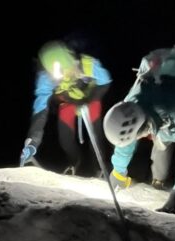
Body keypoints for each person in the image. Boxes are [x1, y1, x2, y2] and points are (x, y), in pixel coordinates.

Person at [103, 46, 175, 214]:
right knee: (162, 146)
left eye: (142, 134)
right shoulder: (129, 105)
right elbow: (126, 140)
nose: (143, 138)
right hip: (159, 114)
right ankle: (160, 180)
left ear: (144, 126)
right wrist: (118, 172)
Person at [20, 40, 112, 177]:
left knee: (95, 135)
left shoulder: (88, 64)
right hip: (68, 101)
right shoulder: (46, 77)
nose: (63, 77)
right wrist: (32, 142)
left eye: (66, 71)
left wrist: (88, 100)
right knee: (65, 138)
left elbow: (105, 81)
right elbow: (40, 108)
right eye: (57, 76)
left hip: (89, 98)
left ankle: (99, 168)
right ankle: (74, 163)